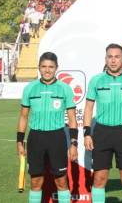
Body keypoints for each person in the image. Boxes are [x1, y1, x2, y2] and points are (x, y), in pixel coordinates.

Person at [16, 52, 78, 203]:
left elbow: (72, 119)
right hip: (36, 138)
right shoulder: (30, 88)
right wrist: (19, 142)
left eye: (51, 67)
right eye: (44, 66)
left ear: (57, 68)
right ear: (39, 68)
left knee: (61, 181)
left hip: (57, 137)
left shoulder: (65, 89)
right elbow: (23, 116)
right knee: (36, 181)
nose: (47, 70)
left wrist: (74, 144)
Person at [83, 43, 122, 203]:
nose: (113, 60)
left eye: (117, 57)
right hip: (101, 133)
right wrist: (87, 133)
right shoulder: (96, 80)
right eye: (110, 57)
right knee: (100, 178)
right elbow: (88, 108)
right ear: (105, 59)